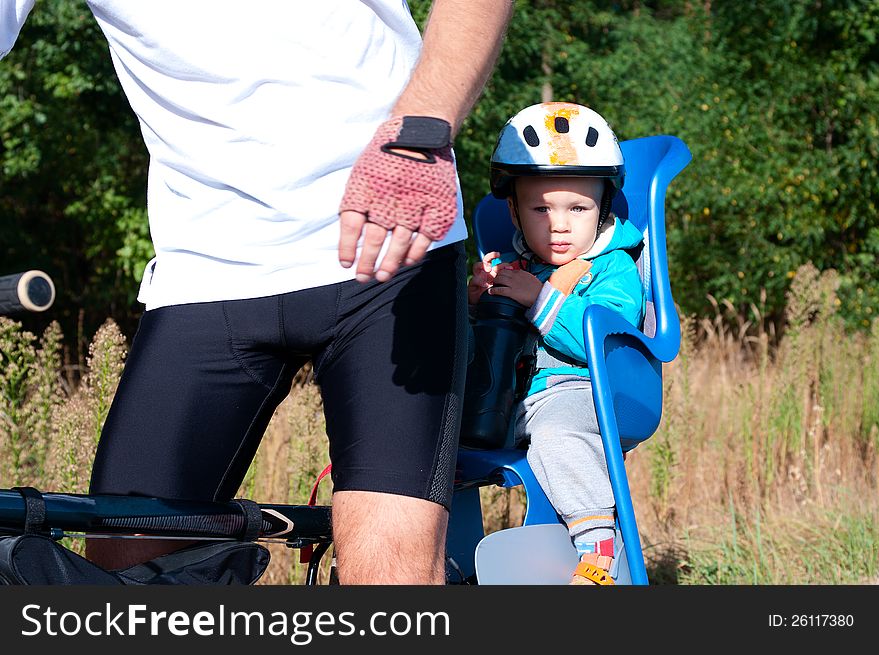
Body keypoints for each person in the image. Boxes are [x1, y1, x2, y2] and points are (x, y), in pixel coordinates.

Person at [1, 0, 514, 584]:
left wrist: (421, 132)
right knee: (121, 568)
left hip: (388, 238)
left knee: (389, 569)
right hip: (204, 266)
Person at [467, 102, 645, 585]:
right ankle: (447, 560)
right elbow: (484, 347)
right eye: (540, 208)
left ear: (603, 207)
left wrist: (540, 298)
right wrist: (476, 304)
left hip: (584, 391)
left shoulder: (612, 268)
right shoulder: (514, 268)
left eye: (577, 208)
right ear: (513, 210)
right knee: (435, 437)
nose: (559, 225)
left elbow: (605, 336)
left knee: (556, 434)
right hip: (510, 401)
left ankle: (598, 545)